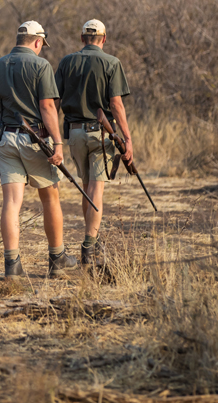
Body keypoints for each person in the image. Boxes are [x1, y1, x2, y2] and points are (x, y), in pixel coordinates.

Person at [0, 21, 79, 279]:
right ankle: (57, 259)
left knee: (12, 202)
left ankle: (12, 266)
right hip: (34, 142)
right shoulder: (41, 65)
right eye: (41, 45)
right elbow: (47, 107)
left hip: (4, 140)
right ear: (38, 42)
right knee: (50, 197)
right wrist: (57, 143)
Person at [54, 19, 133, 267]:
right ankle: (89, 246)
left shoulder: (67, 62)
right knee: (96, 189)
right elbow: (116, 104)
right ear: (104, 39)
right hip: (100, 133)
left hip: (74, 134)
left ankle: (93, 237)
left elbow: (53, 102)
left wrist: (53, 135)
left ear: (82, 38)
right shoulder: (111, 62)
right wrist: (127, 138)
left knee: (86, 186)